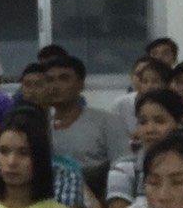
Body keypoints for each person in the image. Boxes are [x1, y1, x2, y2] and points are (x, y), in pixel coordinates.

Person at [45, 54, 131, 198]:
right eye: (49, 80)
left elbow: (123, 167)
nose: (55, 86)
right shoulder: (41, 127)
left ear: (81, 84)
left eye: (63, 78)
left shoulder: (107, 121)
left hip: (100, 198)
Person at [106, 88, 183, 208]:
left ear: (179, 124)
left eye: (160, 121)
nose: (150, 129)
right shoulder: (124, 167)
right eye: (143, 122)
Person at [109, 56, 175, 140]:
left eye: (155, 81)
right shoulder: (122, 103)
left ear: (167, 84)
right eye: (145, 81)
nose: (149, 86)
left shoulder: (173, 104)